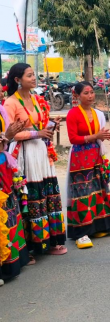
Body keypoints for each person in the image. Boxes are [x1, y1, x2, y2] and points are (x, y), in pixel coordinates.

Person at [4, 63, 67, 258]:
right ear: (17, 80)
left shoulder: (36, 99)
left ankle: (49, 241)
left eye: (34, 75)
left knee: (47, 194)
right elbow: (10, 135)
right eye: (29, 75)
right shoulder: (10, 103)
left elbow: (39, 124)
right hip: (24, 154)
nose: (34, 78)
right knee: (29, 197)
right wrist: (36, 132)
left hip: (41, 152)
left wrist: (50, 125)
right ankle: (30, 247)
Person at [66, 82, 110, 249]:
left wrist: (104, 136)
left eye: (92, 92)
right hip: (80, 158)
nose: (90, 96)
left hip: (95, 155)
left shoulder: (98, 114)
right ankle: (81, 233)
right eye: (86, 93)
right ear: (77, 96)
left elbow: (98, 135)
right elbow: (73, 139)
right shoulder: (73, 114)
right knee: (82, 192)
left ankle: (99, 226)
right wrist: (95, 135)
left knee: (98, 190)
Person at [0, 110, 29, 285]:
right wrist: (7, 136)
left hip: (4, 167)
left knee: (9, 215)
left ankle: (12, 262)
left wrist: (7, 137)